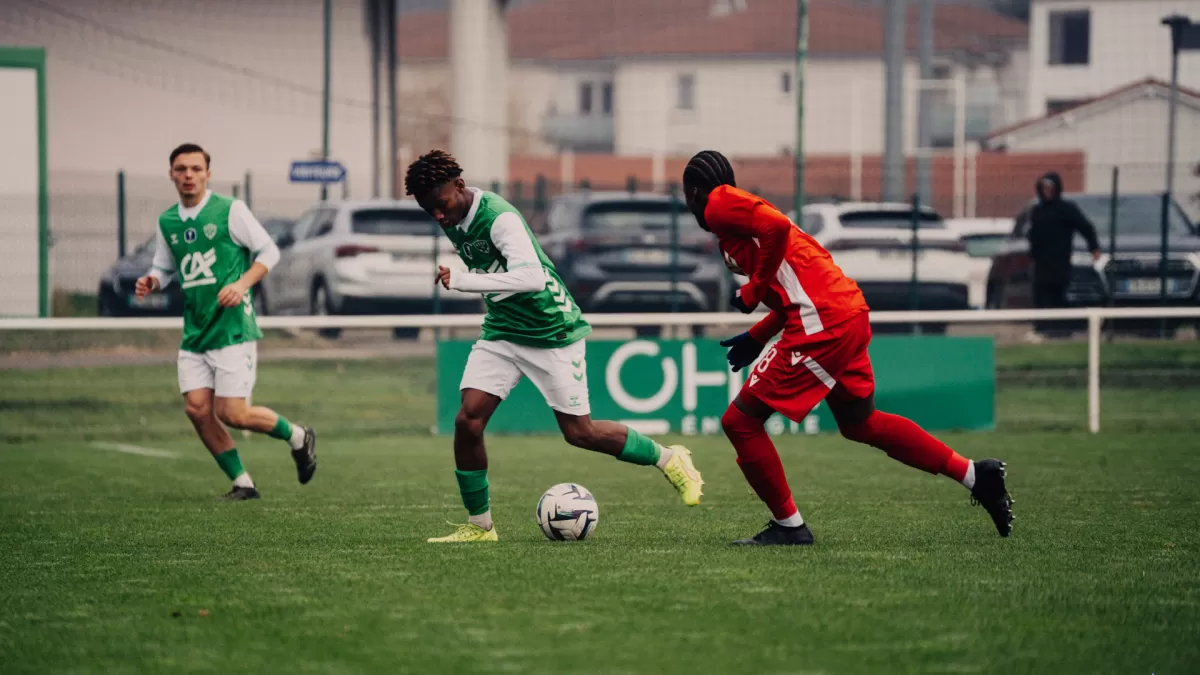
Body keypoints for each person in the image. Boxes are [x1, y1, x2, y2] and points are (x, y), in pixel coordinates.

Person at [682, 150, 1013, 546]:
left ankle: (790, 527)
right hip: (845, 312)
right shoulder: (735, 223)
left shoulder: (718, 203)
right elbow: (792, 288)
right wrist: (757, 335)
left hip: (823, 321)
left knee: (740, 422)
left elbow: (777, 228)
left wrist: (753, 289)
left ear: (694, 192)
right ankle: (976, 475)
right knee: (861, 423)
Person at [404, 149, 704, 543]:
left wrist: (463, 280)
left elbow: (531, 278)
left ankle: (670, 458)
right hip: (503, 330)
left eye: (441, 205)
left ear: (460, 186)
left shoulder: (500, 218)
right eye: (429, 210)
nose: (438, 216)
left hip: (551, 330)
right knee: (468, 420)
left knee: (580, 433)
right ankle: (480, 527)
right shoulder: (451, 214)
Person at [135, 143, 317, 500]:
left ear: (208, 174)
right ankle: (242, 482)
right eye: (181, 169)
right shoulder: (168, 221)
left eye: (196, 169)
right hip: (196, 330)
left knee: (233, 413)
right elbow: (165, 267)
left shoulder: (230, 210)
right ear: (172, 174)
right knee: (197, 409)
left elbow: (269, 251)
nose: (189, 175)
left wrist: (241, 284)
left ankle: (298, 436)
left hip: (232, 327)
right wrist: (152, 280)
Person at [1027, 171, 1101, 339]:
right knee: (1040, 297)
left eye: (1050, 188)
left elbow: (1085, 227)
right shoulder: (1037, 211)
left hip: (1060, 264)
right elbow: (1033, 236)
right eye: (1044, 188)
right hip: (1041, 265)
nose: (1047, 191)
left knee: (1059, 296)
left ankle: (1061, 331)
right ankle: (1041, 330)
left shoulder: (1066, 209)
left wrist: (1094, 247)